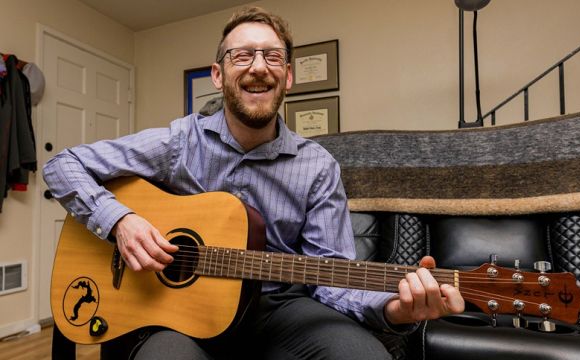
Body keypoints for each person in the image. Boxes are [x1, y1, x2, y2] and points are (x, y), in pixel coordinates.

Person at [43, 7, 464, 360]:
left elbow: (333, 277)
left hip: (276, 309)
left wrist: (395, 308)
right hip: (178, 312)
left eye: (273, 57)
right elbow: (63, 165)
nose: (259, 67)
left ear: (288, 77)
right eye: (242, 56)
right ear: (218, 75)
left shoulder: (318, 167)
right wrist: (121, 221)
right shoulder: (178, 141)